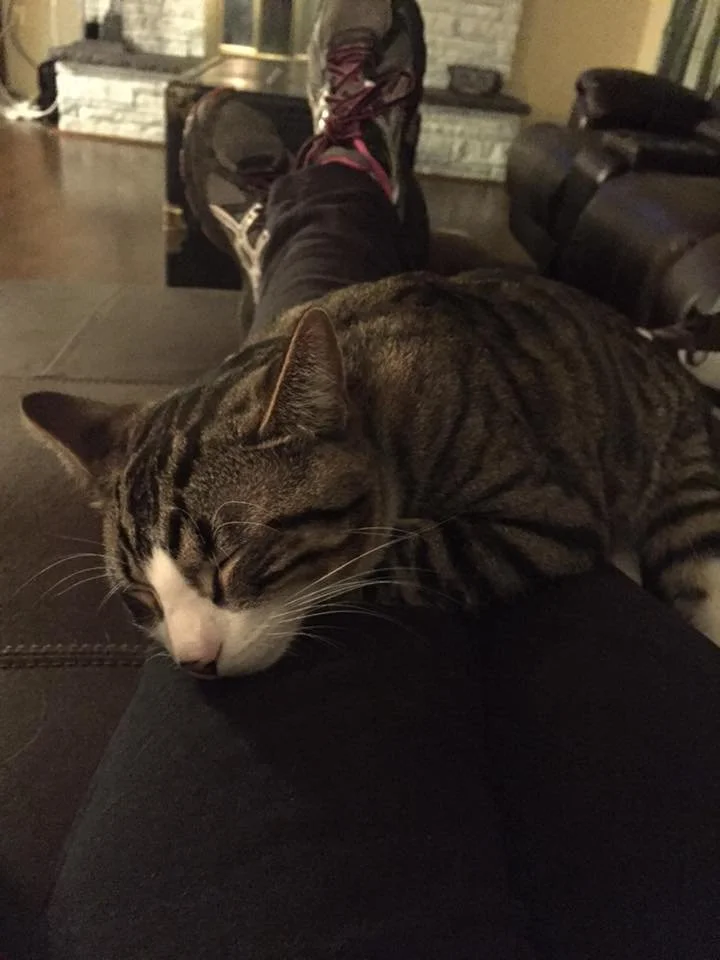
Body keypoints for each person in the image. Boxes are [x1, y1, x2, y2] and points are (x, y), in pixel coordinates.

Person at [36, 1, 720, 957]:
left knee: (307, 311)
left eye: (219, 580)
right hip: (368, 408)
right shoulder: (305, 457)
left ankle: (319, 199)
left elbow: (556, 531)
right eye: (149, 607)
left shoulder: (401, 425)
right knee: (309, 315)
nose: (186, 651)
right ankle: (337, 189)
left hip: (646, 448)